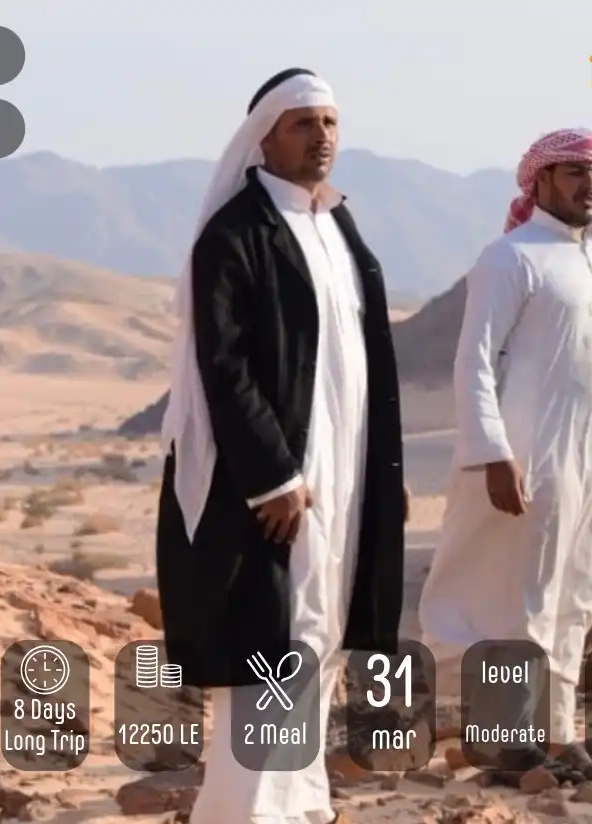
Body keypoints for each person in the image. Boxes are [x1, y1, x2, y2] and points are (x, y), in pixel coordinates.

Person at [154, 68, 407, 823]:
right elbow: (222, 365)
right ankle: (244, 812)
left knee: (319, 634)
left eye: (330, 123)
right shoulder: (233, 236)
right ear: (262, 137)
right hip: (269, 486)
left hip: (345, 467)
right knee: (269, 642)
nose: (321, 137)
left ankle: (300, 806)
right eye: (303, 124)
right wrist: (272, 477)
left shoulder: (338, 225)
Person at [417, 128, 592, 781]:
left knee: (576, 597)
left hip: (591, 462)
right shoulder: (510, 259)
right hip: (527, 461)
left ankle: (559, 735)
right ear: (539, 183)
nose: (588, 186)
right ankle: (509, 740)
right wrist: (491, 453)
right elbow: (472, 362)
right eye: (572, 174)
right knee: (522, 600)